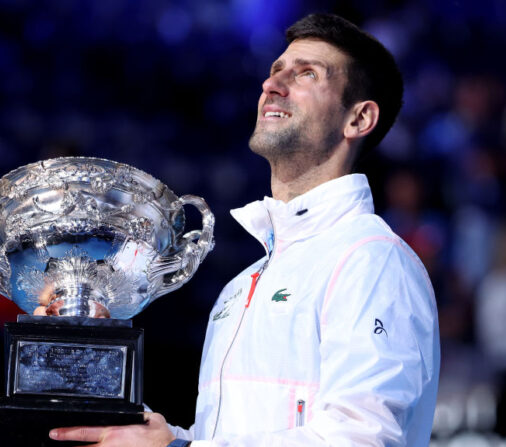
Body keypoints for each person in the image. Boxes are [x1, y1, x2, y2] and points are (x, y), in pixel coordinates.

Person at [48, 13, 440, 447]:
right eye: (275, 71)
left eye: (306, 73)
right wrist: (163, 438)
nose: (272, 85)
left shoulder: (371, 258)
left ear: (358, 119)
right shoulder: (244, 284)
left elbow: (363, 440)